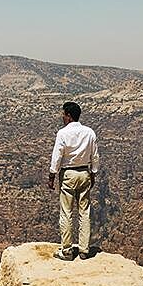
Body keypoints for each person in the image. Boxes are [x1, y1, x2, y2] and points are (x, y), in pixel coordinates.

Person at [47, 101, 99, 260]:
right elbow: (95, 155)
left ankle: (67, 250)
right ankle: (84, 250)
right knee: (85, 211)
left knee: (67, 212)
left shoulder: (62, 134)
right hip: (84, 172)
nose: (62, 117)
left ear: (69, 116)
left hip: (68, 174)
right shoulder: (90, 132)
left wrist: (52, 176)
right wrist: (93, 173)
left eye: (63, 114)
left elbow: (57, 157)